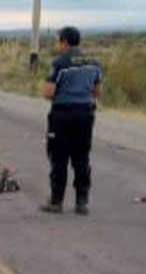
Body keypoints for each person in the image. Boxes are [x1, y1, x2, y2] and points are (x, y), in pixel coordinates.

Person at [39, 27, 104, 216]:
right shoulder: (94, 63)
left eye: (58, 41)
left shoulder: (60, 63)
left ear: (65, 41)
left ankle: (56, 201)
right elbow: (98, 92)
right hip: (85, 114)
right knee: (81, 158)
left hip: (62, 115)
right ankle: (81, 202)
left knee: (59, 158)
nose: (57, 44)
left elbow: (48, 93)